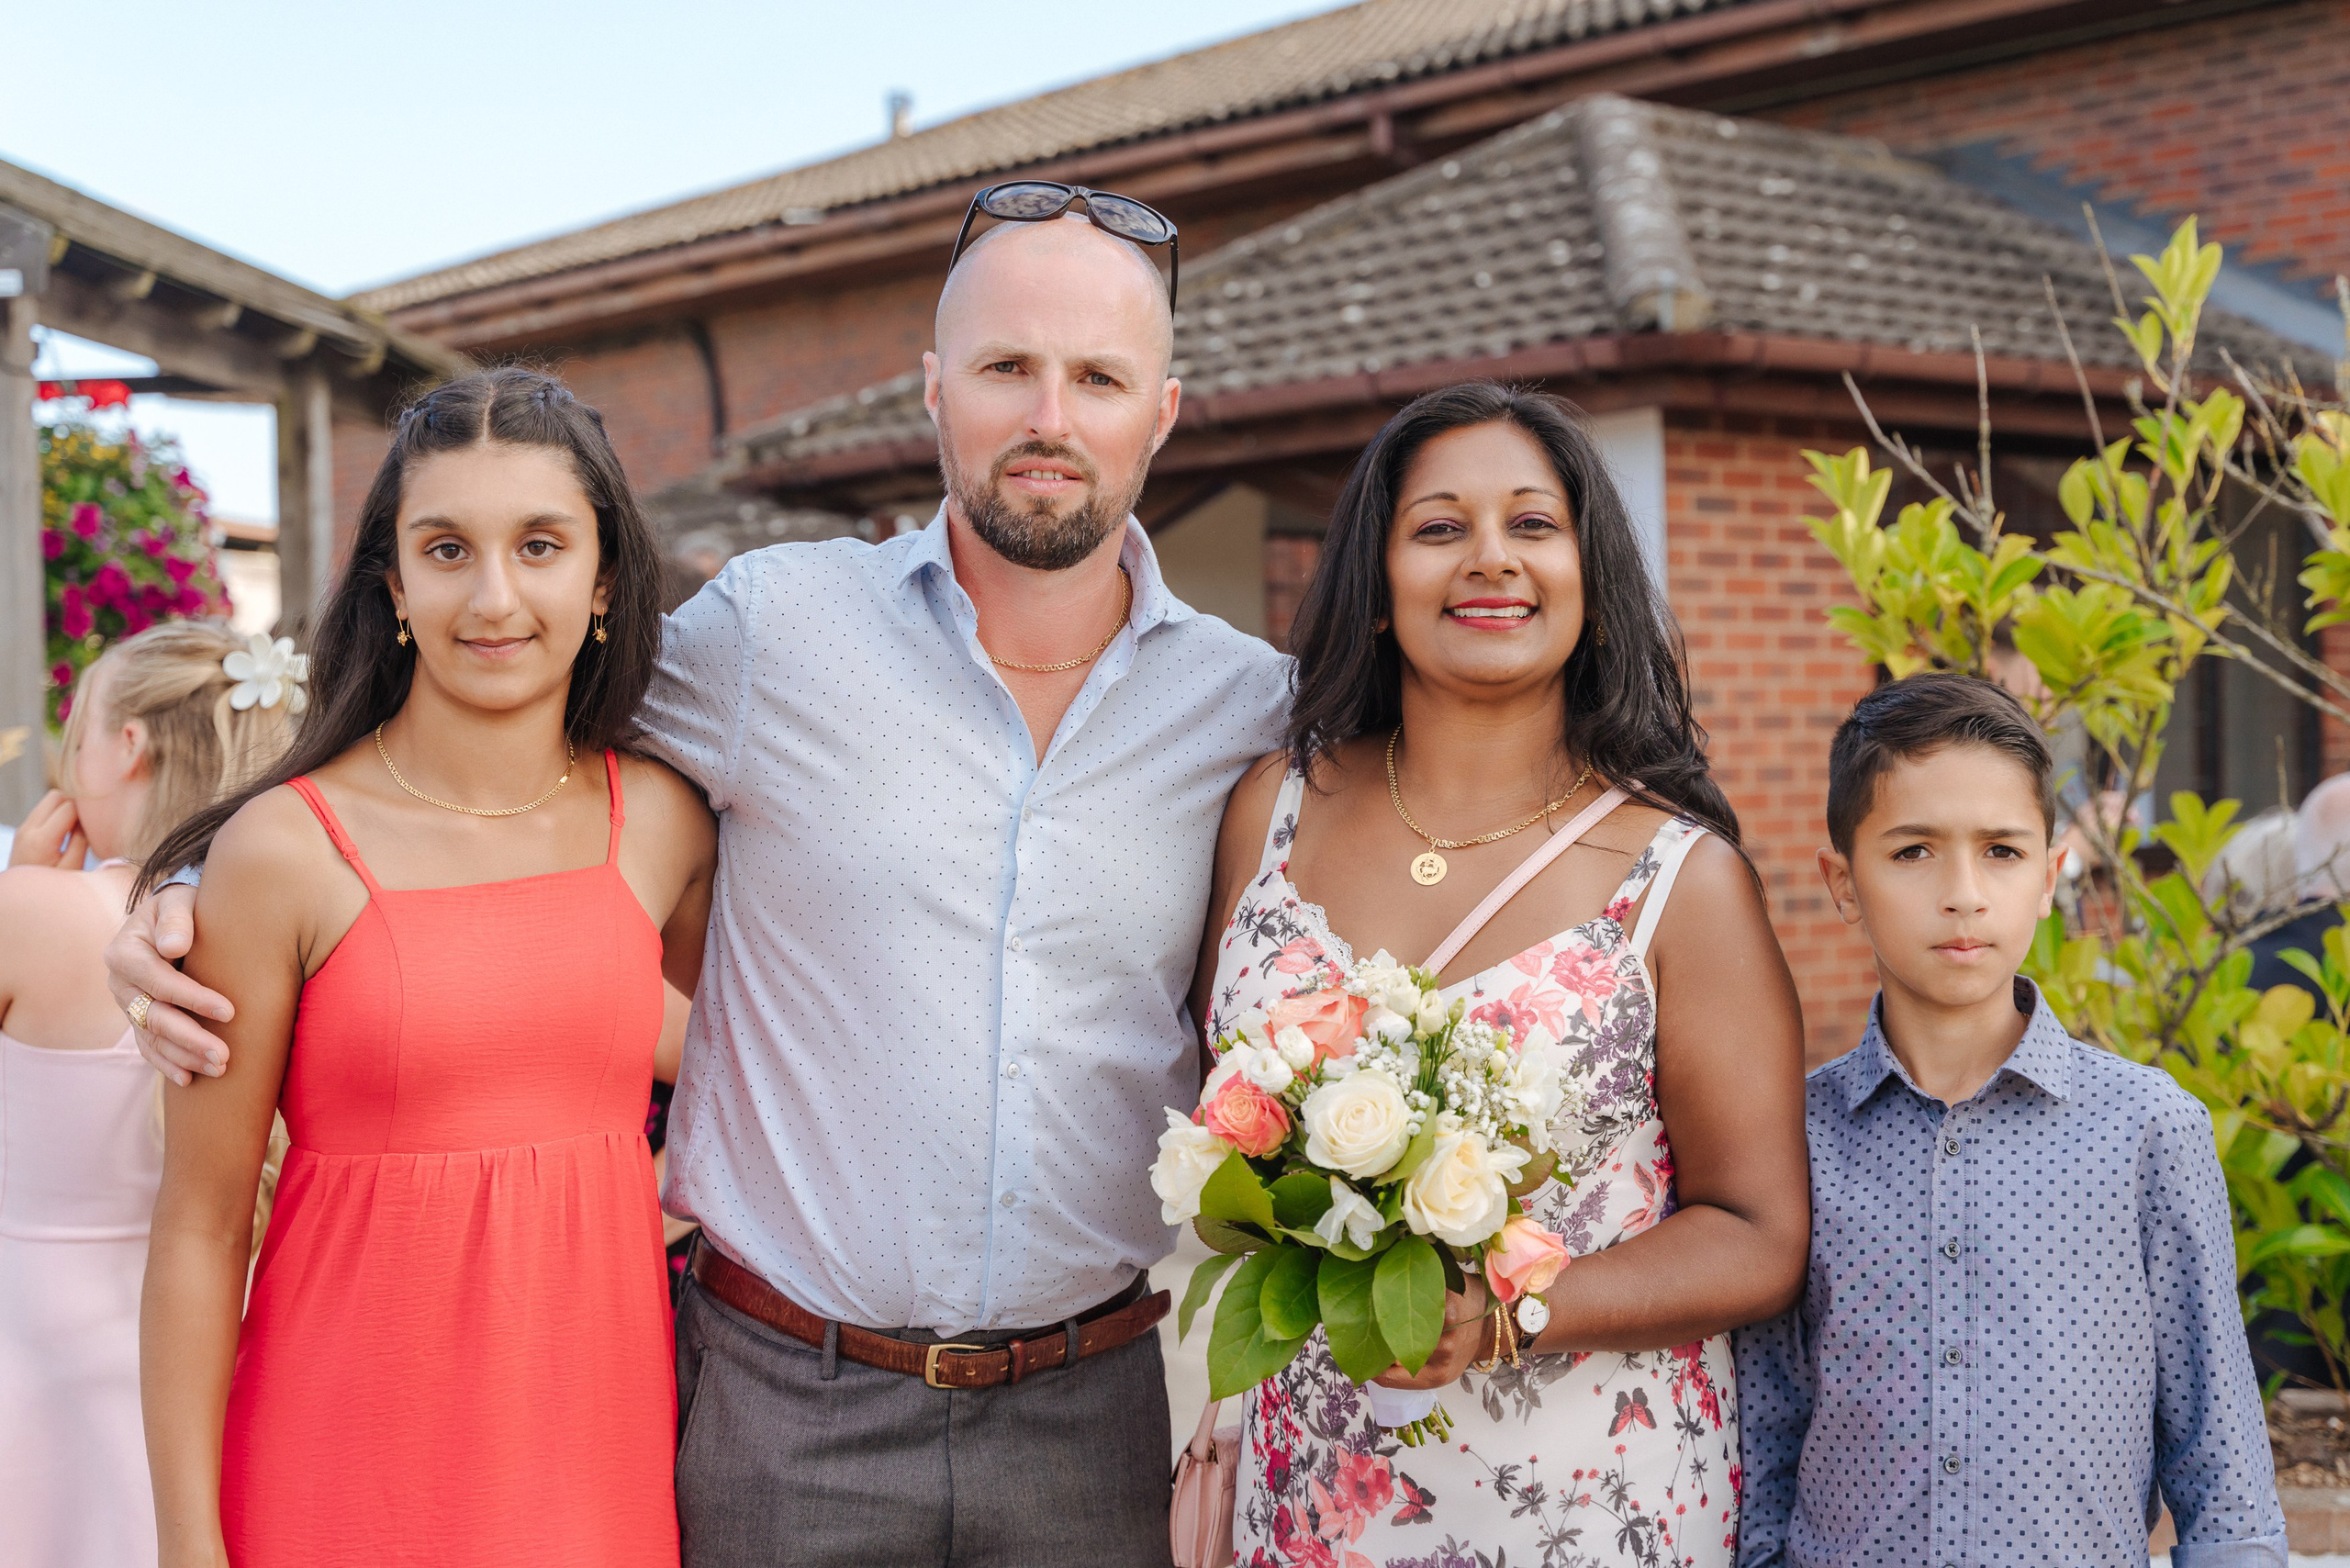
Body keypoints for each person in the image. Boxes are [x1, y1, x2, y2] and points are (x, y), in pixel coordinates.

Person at [113, 200, 1289, 1566]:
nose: (1049, 415)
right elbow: (498, 725)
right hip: (786, 1409)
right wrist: (183, 889)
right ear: (934, 388)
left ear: (1163, 410)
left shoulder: (1247, 709)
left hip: (1085, 1413)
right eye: (1005, 367)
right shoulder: (773, 634)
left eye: (1098, 377)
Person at [1195, 383, 1811, 1567]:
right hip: (1314, 1497)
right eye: (1439, 528)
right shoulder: (1268, 811)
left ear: (1589, 578)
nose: (1490, 557)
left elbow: (1758, 1233)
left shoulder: (1680, 878)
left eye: (1532, 524)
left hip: (1587, 1505)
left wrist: (1511, 1313)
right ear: (1377, 586)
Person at [138, 368, 716, 1568]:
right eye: (447, 549)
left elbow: (767, 1066)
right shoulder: (284, 850)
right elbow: (200, 1227)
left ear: (604, 579)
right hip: (333, 1479)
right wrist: (187, 1546)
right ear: (395, 584)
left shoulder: (668, 824)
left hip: (597, 1478)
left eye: (540, 546)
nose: (493, 596)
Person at [1735, 672, 2287, 1567]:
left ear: (2048, 877)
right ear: (1842, 882)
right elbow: (1763, 1443)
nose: (1963, 893)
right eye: (1913, 851)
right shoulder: (1794, 1140)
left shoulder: (2148, 1131)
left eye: (2000, 850)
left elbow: (2224, 1478)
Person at [0, 622, 297, 1568]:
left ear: (128, 744)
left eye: (78, 727)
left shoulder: (32, 912)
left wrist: (20, 887)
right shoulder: (273, 927)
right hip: (203, 1358)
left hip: (29, 1345)